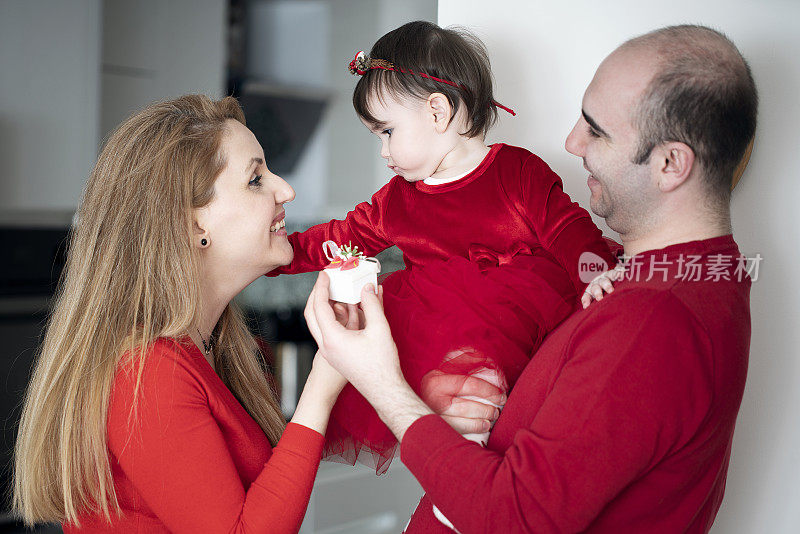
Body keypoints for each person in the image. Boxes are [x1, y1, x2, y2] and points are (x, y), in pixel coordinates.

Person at [305, 24, 757, 533]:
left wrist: (383, 385)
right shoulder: (672, 282)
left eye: (596, 130)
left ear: (671, 163)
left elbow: (512, 517)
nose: (570, 142)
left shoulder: (652, 320)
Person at [11, 95, 490, 533]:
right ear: (192, 222)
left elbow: (277, 475)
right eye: (256, 178)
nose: (285, 191)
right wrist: (324, 377)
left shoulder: (213, 345)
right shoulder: (148, 371)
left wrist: (421, 397)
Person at [270, 21, 616, 487]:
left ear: (438, 112)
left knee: (497, 388)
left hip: (525, 314)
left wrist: (595, 275)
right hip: (443, 338)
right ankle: (462, 469)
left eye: (387, 132)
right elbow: (341, 237)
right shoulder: (397, 199)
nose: (384, 150)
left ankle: (473, 468)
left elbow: (568, 229)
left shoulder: (516, 170)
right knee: (432, 372)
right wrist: (277, 253)